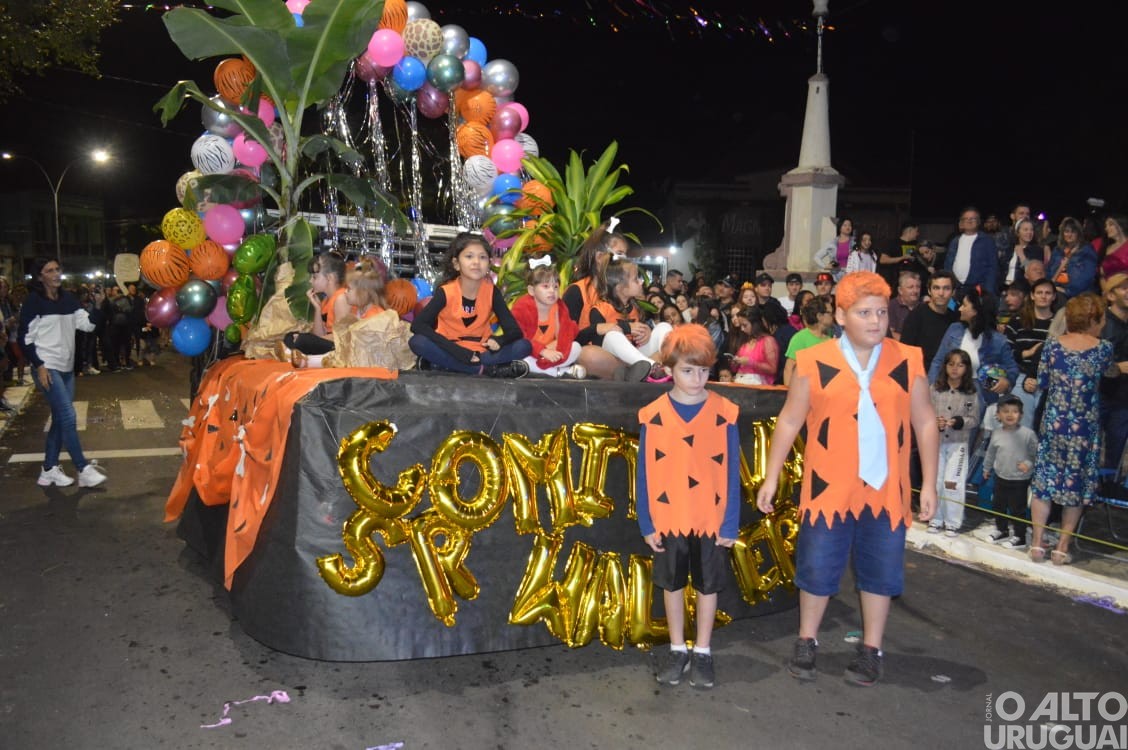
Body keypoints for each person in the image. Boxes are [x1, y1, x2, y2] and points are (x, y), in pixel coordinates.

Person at [756, 271, 938, 687]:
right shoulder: (813, 361)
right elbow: (789, 421)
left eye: (880, 312)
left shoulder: (907, 359)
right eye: (863, 312)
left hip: (887, 488)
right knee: (817, 568)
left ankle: (871, 649)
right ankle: (807, 640)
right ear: (840, 314)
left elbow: (925, 422)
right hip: (827, 485)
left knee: (881, 571)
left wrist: (927, 483)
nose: (875, 321)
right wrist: (771, 476)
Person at [638, 324, 740, 689]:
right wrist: (647, 521)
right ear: (669, 369)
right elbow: (644, 472)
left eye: (703, 370)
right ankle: (678, 647)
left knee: (708, 585)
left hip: (710, 518)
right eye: (687, 370)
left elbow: (731, 473)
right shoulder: (652, 415)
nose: (697, 378)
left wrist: (730, 524)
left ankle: (703, 651)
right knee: (673, 583)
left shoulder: (725, 413)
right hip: (668, 518)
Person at [1029, 293, 1118, 564]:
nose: (1103, 324)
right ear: (1093, 319)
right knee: (1075, 486)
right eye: (1101, 319)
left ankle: (1036, 545)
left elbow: (1042, 380)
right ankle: (1061, 548)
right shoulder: (1103, 348)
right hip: (1084, 427)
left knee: (1044, 482)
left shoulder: (1053, 346)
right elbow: (1109, 372)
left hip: (1055, 422)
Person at [18, 257, 107, 488]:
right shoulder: (34, 302)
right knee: (68, 416)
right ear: (40, 276)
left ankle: (48, 470)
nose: (56, 274)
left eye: (58, 269)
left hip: (66, 368)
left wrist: (97, 306)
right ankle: (83, 468)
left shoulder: (69, 299)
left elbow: (88, 325)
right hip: (47, 367)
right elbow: (24, 339)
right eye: (50, 270)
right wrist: (39, 365)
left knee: (60, 418)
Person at [409, 233, 531, 377]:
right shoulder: (446, 292)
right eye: (469, 256)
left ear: (489, 263)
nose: (476, 262)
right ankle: (483, 370)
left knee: (524, 346)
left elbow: (514, 331)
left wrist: (499, 340)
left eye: (482, 257)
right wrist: (460, 353)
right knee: (418, 342)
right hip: (451, 349)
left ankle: (451, 366)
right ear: (456, 264)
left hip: (481, 351)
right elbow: (418, 325)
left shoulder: (492, 292)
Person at [928, 287, 1019, 412]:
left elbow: (1012, 368)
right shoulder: (954, 329)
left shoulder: (998, 340)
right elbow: (938, 361)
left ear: (976, 311)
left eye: (964, 305)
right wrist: (931, 389)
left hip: (980, 399)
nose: (960, 308)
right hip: (947, 394)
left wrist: (1007, 382)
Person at [582, 257, 673, 382]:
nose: (641, 282)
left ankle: (670, 365)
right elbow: (599, 343)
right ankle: (653, 369)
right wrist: (627, 328)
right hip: (612, 359)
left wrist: (645, 333)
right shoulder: (600, 309)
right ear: (620, 288)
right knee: (612, 335)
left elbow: (636, 343)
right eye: (636, 279)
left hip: (635, 358)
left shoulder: (635, 307)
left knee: (664, 326)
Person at [928, 348, 980, 536]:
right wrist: (936, 422)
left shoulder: (971, 392)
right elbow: (924, 414)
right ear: (945, 367)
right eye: (951, 364)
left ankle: (953, 521)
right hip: (936, 444)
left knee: (952, 482)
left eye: (960, 365)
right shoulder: (935, 389)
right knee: (936, 480)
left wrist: (958, 422)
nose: (955, 369)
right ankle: (935, 517)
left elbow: (975, 419)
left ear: (966, 368)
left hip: (958, 444)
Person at [510, 257, 586, 378]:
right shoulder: (522, 307)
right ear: (531, 290)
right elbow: (518, 337)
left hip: (552, 350)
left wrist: (557, 344)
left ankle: (542, 369)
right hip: (530, 351)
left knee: (576, 347)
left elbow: (567, 333)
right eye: (545, 286)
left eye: (555, 287)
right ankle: (560, 372)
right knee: (521, 355)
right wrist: (542, 351)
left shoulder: (560, 307)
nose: (552, 291)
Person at [982, 395, 1038, 550]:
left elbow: (1036, 454)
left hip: (1020, 479)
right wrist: (987, 468)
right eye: (1005, 411)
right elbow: (991, 453)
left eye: (1014, 411)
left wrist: (1028, 464)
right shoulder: (997, 433)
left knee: (1017, 509)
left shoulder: (1028, 434)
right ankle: (1002, 530)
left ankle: (1020, 537)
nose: (1010, 415)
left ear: (1021, 415)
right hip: (1000, 477)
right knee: (998, 505)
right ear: (998, 415)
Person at [283, 251, 351, 357]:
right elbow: (318, 334)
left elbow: (342, 337)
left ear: (329, 278)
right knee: (290, 337)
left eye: (315, 277)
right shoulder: (326, 300)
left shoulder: (341, 298)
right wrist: (317, 308)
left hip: (339, 347)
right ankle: (293, 352)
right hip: (327, 342)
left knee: (302, 340)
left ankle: (291, 353)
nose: (310, 281)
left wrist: (312, 340)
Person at [1011, 278, 1056, 427]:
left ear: (1054, 297)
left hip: (1048, 381)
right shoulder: (1018, 320)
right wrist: (1027, 353)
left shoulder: (1059, 323)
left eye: (1048, 293)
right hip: (1020, 376)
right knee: (1022, 426)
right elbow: (1005, 352)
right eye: (1039, 292)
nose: (1043, 296)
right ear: (1032, 295)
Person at [901, 271, 958, 372]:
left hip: (946, 376)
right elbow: (905, 351)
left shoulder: (955, 319)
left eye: (946, 288)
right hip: (920, 374)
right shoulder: (917, 315)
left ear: (953, 292)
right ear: (929, 291)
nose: (941, 293)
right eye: (936, 288)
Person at [1101, 272, 1128, 471]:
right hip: (1098, 395)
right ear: (1111, 295)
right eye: (1124, 288)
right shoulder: (1099, 323)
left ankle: (1107, 491)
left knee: (1116, 450)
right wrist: (1117, 367)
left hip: (1123, 400)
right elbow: (1091, 363)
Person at [782, 294, 834, 385]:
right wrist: (789, 393)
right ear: (819, 316)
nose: (833, 315)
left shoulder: (831, 338)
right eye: (830, 313)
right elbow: (789, 369)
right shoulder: (800, 338)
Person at [945, 207, 998, 293]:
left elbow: (992, 267)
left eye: (973, 218)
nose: (969, 221)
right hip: (956, 288)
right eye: (966, 218)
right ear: (961, 222)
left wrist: (988, 291)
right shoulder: (955, 241)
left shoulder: (987, 240)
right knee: (952, 307)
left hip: (977, 289)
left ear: (978, 221)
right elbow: (948, 264)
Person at [1046, 216, 1098, 301]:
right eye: (1066, 231)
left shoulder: (1087, 250)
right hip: (1055, 290)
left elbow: (1087, 277)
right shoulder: (1057, 250)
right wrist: (1051, 288)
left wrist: (1067, 291)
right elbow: (1048, 272)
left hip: (1078, 294)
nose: (1069, 235)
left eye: (1073, 232)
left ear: (1078, 233)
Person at [728, 309, 778, 385]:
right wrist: (734, 363)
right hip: (740, 382)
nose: (742, 329)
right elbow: (735, 369)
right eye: (741, 325)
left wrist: (751, 363)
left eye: (744, 325)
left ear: (755, 324)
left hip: (759, 387)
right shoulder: (745, 341)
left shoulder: (768, 341)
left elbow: (773, 369)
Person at [1003, 218, 1047, 285]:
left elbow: (1032, 272)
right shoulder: (1009, 249)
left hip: (1023, 287)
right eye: (1025, 230)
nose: (1029, 232)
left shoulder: (1037, 250)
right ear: (1018, 232)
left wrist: (1022, 256)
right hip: (1005, 286)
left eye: (1031, 230)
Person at [877, 221, 919, 288]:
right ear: (910, 230)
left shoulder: (917, 245)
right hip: (895, 282)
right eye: (916, 231)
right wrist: (902, 258)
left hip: (911, 283)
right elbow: (883, 260)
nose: (918, 234)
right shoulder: (892, 243)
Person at [886, 270, 921, 340]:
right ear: (900, 290)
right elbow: (889, 333)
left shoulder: (923, 307)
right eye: (910, 287)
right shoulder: (891, 306)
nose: (915, 291)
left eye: (918, 287)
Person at [1099, 213, 1128, 278]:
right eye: (1106, 226)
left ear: (1121, 225)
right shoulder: (1107, 248)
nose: (1106, 228)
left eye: (1111, 224)